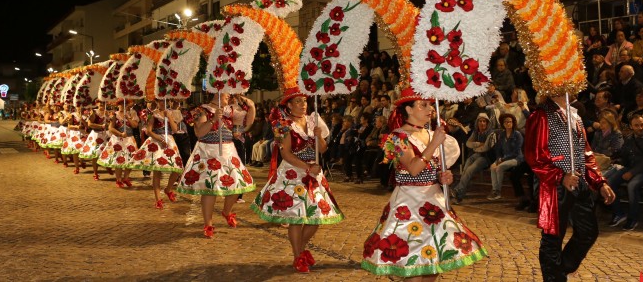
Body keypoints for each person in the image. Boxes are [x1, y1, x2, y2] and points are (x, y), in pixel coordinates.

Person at [361, 87, 487, 279]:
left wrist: (445, 177)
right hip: (409, 203)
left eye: (430, 104)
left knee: (434, 258)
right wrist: (434, 144)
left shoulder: (431, 134)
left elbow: (434, 170)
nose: (430, 109)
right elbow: (413, 168)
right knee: (413, 257)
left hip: (434, 201)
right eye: (423, 105)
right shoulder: (397, 137)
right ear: (409, 109)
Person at [524, 95, 616, 282]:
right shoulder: (541, 115)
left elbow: (587, 154)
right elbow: (534, 155)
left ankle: (558, 272)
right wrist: (559, 175)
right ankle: (555, 278)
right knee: (552, 239)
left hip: (579, 182)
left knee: (588, 232)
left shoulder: (576, 116)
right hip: (555, 186)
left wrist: (600, 182)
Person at [250, 87, 342, 273]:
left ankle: (301, 249)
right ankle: (297, 256)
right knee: (296, 218)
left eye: (305, 101)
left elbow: (322, 150)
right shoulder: (283, 125)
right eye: (298, 102)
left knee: (316, 218)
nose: (303, 105)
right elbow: (286, 154)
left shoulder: (313, 121)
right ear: (289, 105)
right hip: (294, 173)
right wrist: (308, 168)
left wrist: (319, 137)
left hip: (313, 173)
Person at [177, 92, 256, 237]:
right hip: (208, 152)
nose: (229, 97)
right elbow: (199, 132)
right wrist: (213, 119)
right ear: (216, 94)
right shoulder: (201, 110)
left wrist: (249, 104)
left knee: (237, 184)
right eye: (226, 94)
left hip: (228, 150)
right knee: (210, 188)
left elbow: (248, 123)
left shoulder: (230, 111)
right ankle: (208, 224)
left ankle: (227, 211)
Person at [606, 114, 643, 231]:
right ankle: (618, 213)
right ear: (631, 126)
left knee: (632, 186)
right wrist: (615, 158)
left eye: (642, 125)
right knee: (609, 183)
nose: (640, 128)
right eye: (637, 125)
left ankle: (633, 218)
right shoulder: (630, 138)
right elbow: (625, 155)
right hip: (630, 168)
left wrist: (632, 172)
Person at [128, 99, 184, 209]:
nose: (162, 103)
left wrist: (169, 117)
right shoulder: (153, 114)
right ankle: (158, 199)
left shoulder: (172, 113)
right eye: (160, 101)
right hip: (157, 141)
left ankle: (168, 189)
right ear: (157, 102)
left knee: (178, 168)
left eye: (164, 101)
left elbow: (175, 129)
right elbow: (148, 130)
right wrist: (160, 139)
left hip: (170, 141)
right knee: (157, 171)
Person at [97, 100, 137, 188]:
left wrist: (128, 117)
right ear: (118, 105)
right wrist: (120, 134)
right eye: (121, 104)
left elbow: (135, 125)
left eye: (125, 103)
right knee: (119, 160)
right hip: (118, 139)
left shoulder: (132, 113)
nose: (123, 105)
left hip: (130, 139)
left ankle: (126, 177)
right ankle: (118, 179)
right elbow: (111, 128)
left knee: (131, 159)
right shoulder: (114, 114)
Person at [487, 113, 524, 201]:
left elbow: (516, 152)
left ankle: (498, 192)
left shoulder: (517, 134)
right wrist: (497, 160)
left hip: (516, 158)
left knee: (499, 167)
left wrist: (502, 160)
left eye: (510, 122)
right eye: (506, 122)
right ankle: (494, 190)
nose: (508, 123)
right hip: (504, 158)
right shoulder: (502, 134)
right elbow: (498, 150)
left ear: (513, 123)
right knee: (493, 167)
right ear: (503, 124)